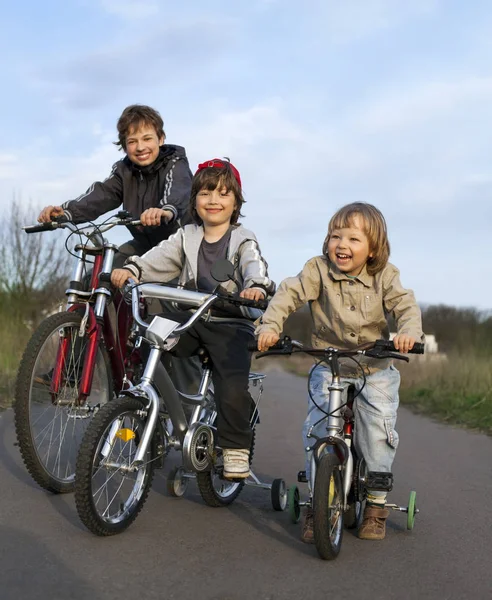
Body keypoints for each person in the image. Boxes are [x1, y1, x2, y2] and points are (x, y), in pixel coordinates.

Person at [256, 202, 423, 542]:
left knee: (377, 432)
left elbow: (405, 306)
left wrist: (408, 334)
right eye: (335, 236)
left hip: (373, 367)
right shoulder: (316, 270)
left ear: (373, 248)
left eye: (354, 239)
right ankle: (318, 504)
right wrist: (269, 326)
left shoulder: (385, 276)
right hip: (329, 366)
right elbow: (287, 294)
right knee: (317, 430)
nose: (342, 245)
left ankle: (376, 504)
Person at [111, 159, 275, 479]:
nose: (214, 200)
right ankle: (153, 416)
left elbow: (254, 269)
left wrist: (255, 288)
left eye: (223, 193)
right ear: (195, 201)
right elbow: (158, 258)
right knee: (151, 336)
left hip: (230, 320)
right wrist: (132, 269)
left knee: (230, 378)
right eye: (206, 192)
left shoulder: (242, 238)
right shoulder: (186, 235)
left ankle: (236, 446)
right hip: (191, 315)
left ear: (236, 202)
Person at [37, 104, 193, 268]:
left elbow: (178, 189)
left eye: (147, 139)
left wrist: (166, 211)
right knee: (102, 275)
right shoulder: (123, 171)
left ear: (160, 139)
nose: (140, 147)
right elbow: (101, 195)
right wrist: (65, 212)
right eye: (132, 141)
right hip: (144, 245)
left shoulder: (175, 163)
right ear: (125, 147)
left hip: (178, 244)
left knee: (159, 288)